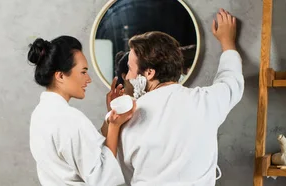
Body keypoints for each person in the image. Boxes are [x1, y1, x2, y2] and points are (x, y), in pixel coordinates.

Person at [104, 9, 244, 185]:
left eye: (131, 69)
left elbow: (116, 173)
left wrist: (112, 118)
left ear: (149, 72)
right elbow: (231, 81)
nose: (129, 77)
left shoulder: (127, 117)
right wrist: (227, 42)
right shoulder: (205, 101)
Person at [26, 35, 136, 185]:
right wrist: (115, 126)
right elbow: (103, 177)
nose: (88, 79)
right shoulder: (69, 119)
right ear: (60, 76)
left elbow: (85, 151)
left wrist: (109, 119)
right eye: (83, 72)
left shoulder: (40, 114)